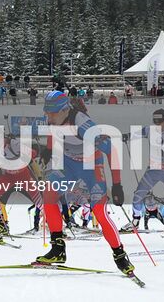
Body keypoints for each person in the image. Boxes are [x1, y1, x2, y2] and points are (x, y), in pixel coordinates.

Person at [30, 90, 134, 276]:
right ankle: (58, 250)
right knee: (49, 196)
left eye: (51, 113)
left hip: (91, 167)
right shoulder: (54, 118)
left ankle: (120, 255)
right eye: (47, 112)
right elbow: (53, 132)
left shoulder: (84, 125)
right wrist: (47, 150)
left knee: (99, 211)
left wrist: (117, 184)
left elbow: (111, 150)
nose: (48, 116)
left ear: (64, 110)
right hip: (68, 164)